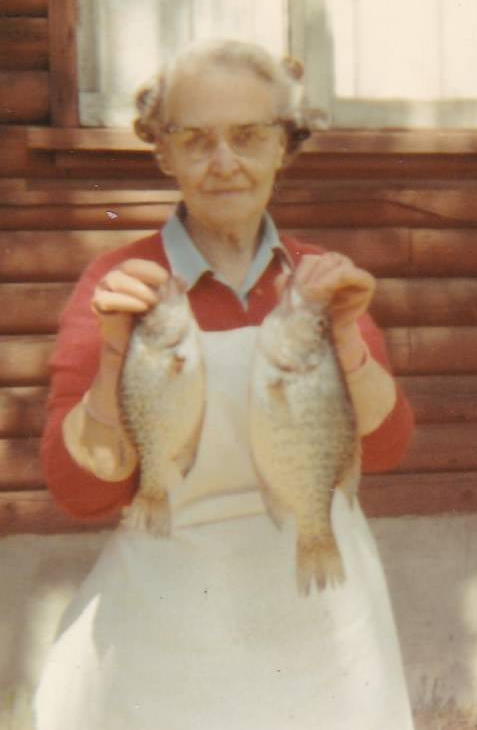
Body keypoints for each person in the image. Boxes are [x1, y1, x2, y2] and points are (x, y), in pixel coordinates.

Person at [34, 40, 416, 730]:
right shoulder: (119, 285)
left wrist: (351, 338)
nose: (223, 163)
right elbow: (79, 489)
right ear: (164, 153)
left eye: (247, 137)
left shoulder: (320, 280)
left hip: (323, 625)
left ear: (283, 148)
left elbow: (385, 446)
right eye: (196, 139)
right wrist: (116, 355)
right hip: (170, 633)